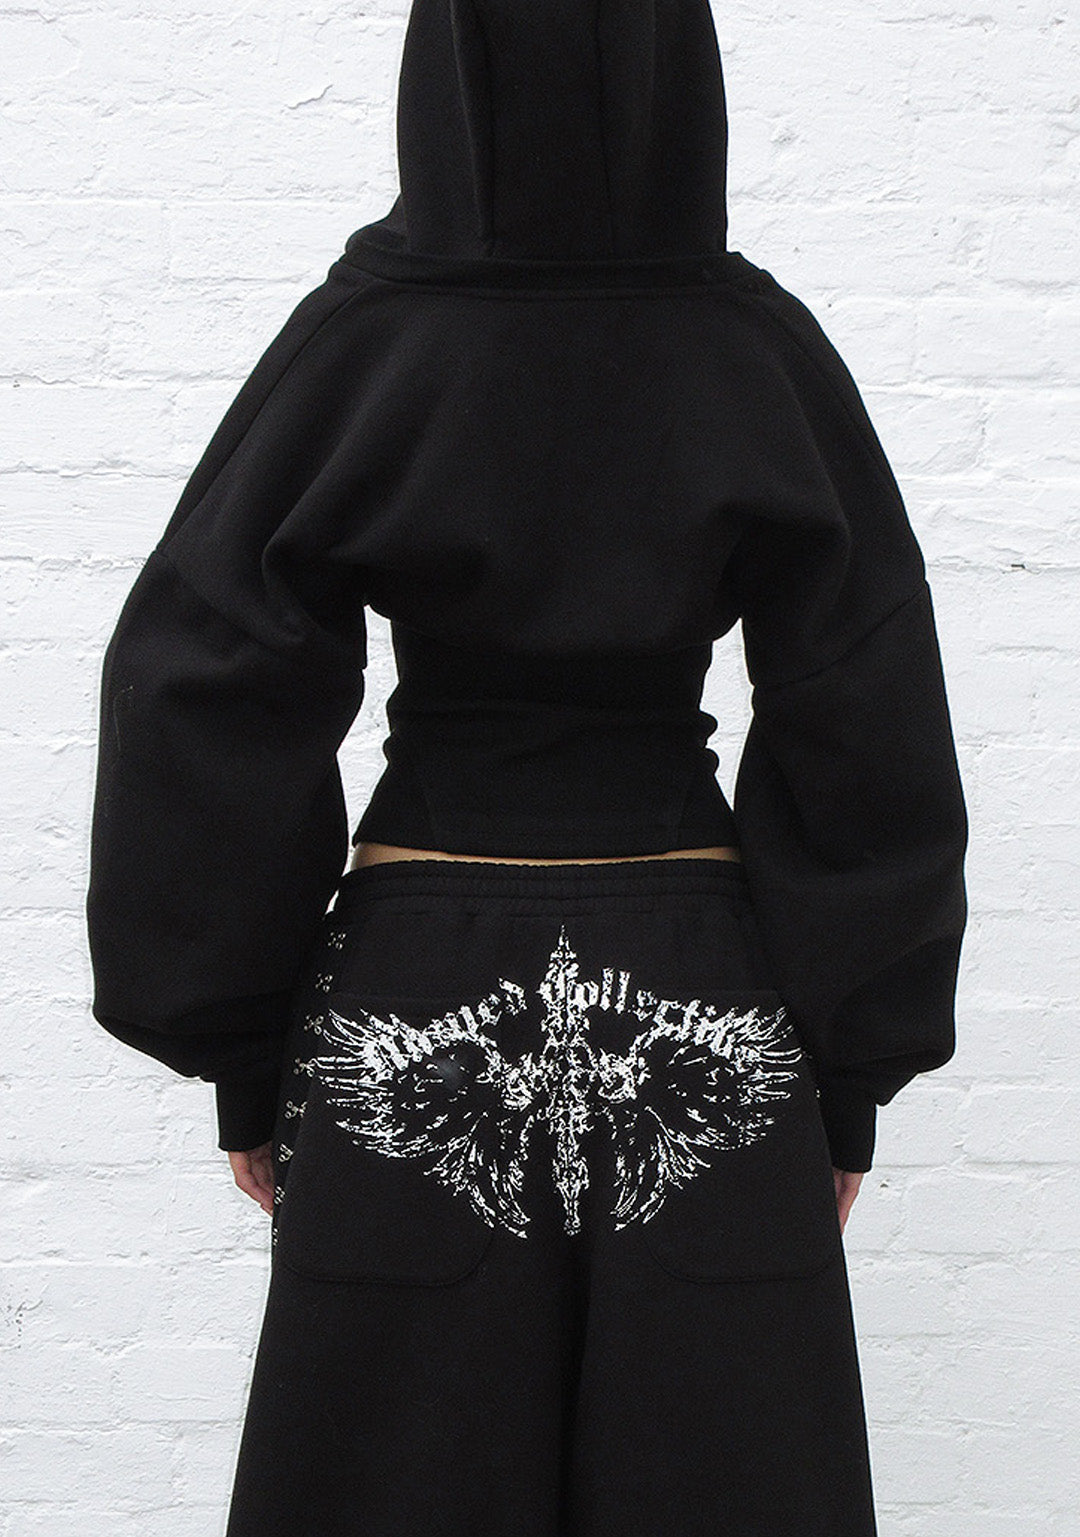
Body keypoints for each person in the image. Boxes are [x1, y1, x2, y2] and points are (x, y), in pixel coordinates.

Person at [84, 1, 969, 1532]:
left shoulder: (365, 340)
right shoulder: (753, 347)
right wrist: (848, 1071)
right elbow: (864, 697)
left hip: (413, 980)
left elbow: (201, 679)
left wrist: (236, 1037)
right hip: (701, 978)